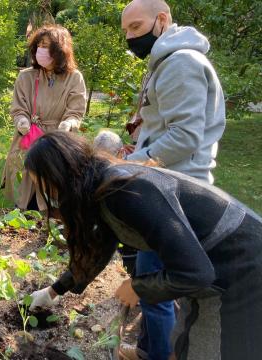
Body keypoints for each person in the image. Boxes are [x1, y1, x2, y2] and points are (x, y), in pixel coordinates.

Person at [27, 131, 262, 360]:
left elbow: (196, 273)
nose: (52, 195)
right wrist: (54, 290)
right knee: (185, 343)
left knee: (212, 350)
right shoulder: (100, 186)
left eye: (46, 185)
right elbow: (98, 248)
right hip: (218, 265)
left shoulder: (124, 192)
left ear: (59, 176)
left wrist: (138, 287)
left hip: (243, 268)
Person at [116, 1, 227, 358]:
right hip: (167, 182)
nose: (130, 38)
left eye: (136, 27)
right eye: (126, 31)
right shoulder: (167, 59)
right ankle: (150, 348)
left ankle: (156, 355)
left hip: (177, 190)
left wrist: (134, 162)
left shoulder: (181, 62)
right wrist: (141, 133)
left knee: (153, 285)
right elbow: (169, 123)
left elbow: (185, 137)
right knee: (155, 280)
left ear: (161, 20)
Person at [2, 24, 86, 211]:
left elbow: (76, 110)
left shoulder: (74, 78)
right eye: (39, 45)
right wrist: (21, 120)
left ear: (60, 49)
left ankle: (52, 230)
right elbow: (18, 107)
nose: (41, 50)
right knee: (24, 188)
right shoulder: (26, 77)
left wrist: (69, 123)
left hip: (57, 142)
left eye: (46, 45)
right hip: (29, 136)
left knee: (54, 191)